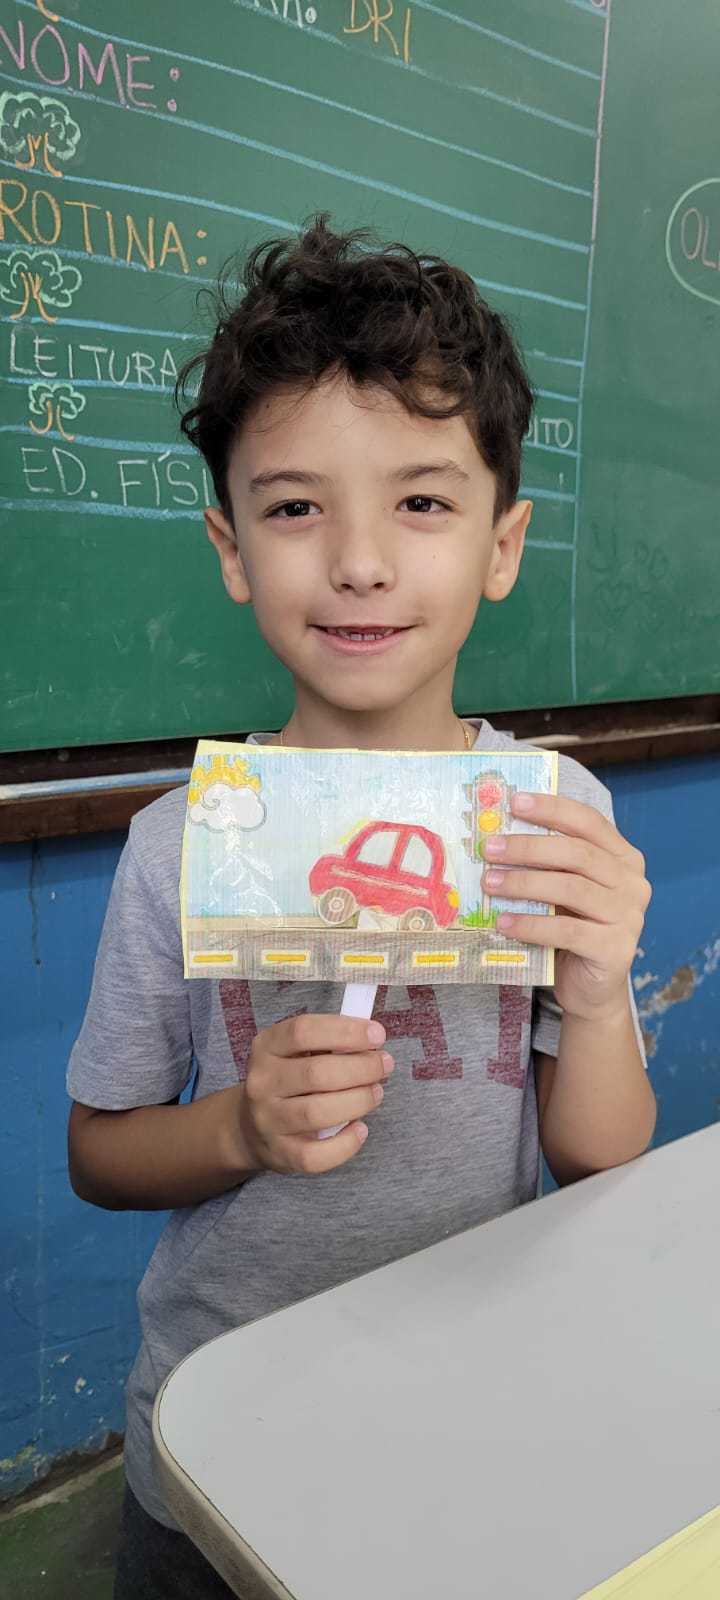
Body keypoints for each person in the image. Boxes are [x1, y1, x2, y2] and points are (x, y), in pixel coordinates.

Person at [67, 213, 656, 1599]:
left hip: (471, 1398)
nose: (361, 561)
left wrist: (591, 996)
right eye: (294, 508)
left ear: (504, 544)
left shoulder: (552, 818)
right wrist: (239, 1127)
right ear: (231, 550)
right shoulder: (179, 845)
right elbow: (100, 1151)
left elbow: (602, 1159)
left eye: (423, 503)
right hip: (220, 1428)